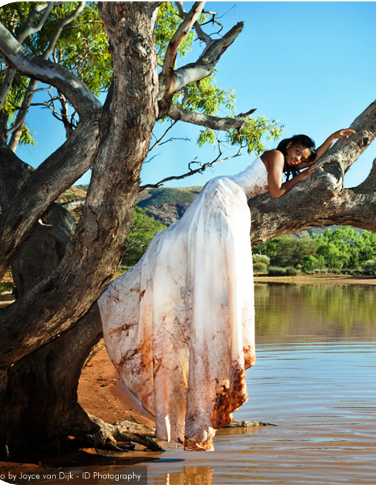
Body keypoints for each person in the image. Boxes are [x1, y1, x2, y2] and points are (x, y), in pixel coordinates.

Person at [98, 128, 355, 451]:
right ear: (289, 144)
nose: (298, 158)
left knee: (209, 250)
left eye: (302, 158)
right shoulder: (275, 155)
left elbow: (311, 163)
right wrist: (300, 178)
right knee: (220, 251)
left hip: (231, 196)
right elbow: (276, 193)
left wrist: (331, 141)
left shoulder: (289, 161)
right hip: (225, 193)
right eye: (297, 152)